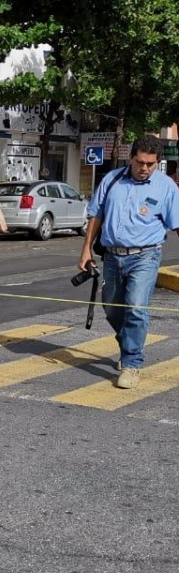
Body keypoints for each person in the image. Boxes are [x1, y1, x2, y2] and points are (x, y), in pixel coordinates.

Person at [77, 134, 179, 389]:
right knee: (111, 307)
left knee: (135, 308)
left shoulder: (166, 187)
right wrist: (86, 250)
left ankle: (132, 363)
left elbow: (177, 224)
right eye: (140, 162)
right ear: (131, 157)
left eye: (150, 164)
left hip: (146, 255)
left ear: (157, 163)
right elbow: (95, 215)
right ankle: (129, 341)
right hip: (112, 255)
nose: (144, 169)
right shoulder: (112, 180)